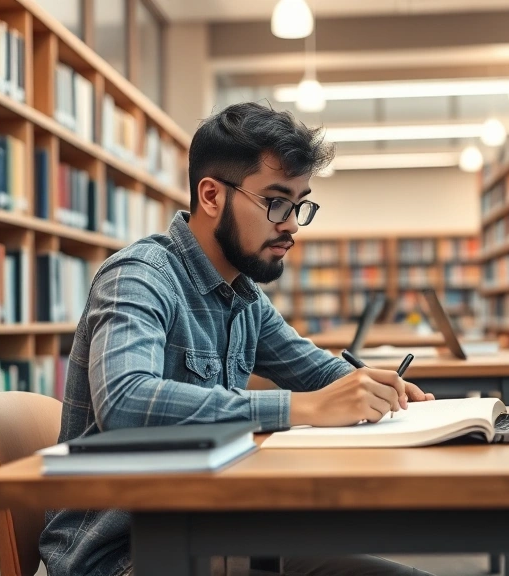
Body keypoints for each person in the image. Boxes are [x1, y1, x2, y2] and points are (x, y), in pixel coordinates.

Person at [38, 101, 437, 576]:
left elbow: (313, 368)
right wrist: (303, 408)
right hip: (127, 556)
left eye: (298, 204)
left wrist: (374, 386)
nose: (290, 223)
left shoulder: (243, 296)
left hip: (215, 533)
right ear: (211, 196)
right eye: (275, 202)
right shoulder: (139, 276)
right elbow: (125, 401)